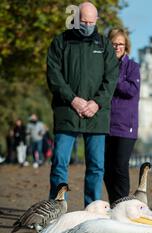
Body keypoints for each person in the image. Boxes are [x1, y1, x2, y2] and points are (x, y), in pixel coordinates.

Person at [46, 2, 119, 206]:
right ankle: (57, 208)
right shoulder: (60, 42)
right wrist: (73, 99)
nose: (87, 25)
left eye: (90, 21)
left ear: (96, 20)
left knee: (96, 165)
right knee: (60, 162)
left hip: (97, 115)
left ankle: (92, 209)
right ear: (76, 19)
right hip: (66, 112)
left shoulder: (104, 45)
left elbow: (112, 77)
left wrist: (96, 103)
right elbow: (53, 75)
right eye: (83, 21)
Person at [103, 28, 141, 204]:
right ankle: (114, 203)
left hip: (126, 126)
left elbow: (132, 90)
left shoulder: (133, 67)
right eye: (113, 43)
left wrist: (115, 78)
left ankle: (123, 205)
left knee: (120, 167)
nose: (117, 47)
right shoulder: (103, 65)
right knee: (106, 169)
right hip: (105, 124)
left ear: (126, 46)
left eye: (120, 44)